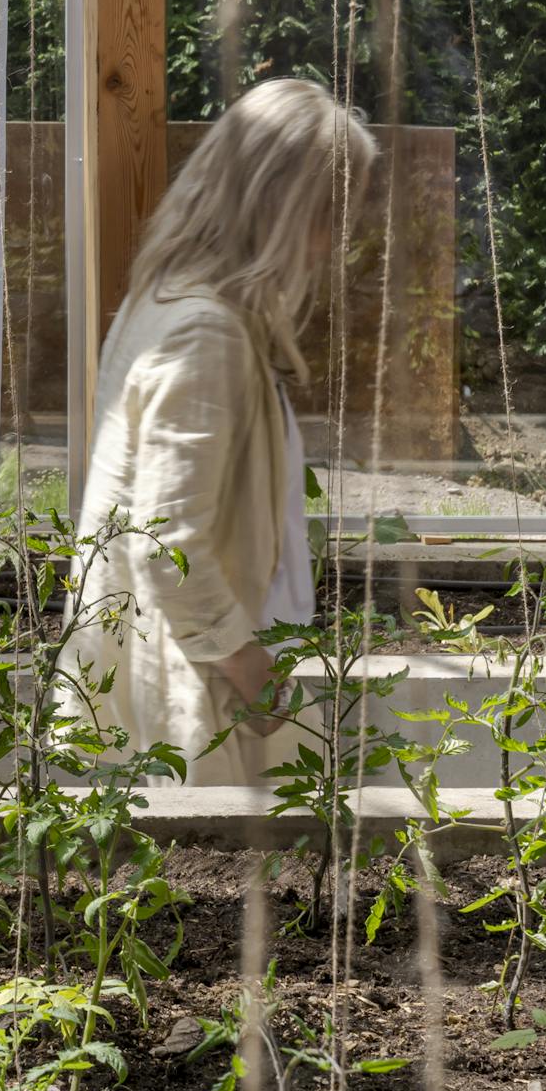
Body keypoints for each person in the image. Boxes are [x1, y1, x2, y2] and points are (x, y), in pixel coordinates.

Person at [65, 76, 377, 791]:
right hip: (200, 692)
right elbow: (165, 543)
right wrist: (257, 679)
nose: (334, 243)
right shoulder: (205, 331)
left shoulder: (166, 298)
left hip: (189, 673)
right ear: (278, 205)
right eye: (330, 216)